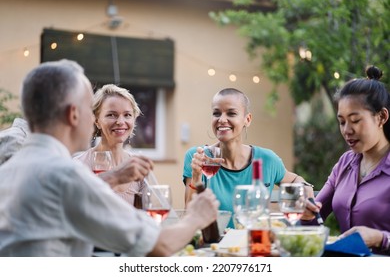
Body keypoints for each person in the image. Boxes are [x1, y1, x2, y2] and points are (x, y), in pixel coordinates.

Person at [0, 59, 219, 257]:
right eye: (89, 108)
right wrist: (196, 218)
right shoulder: (66, 174)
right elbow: (158, 246)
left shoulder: (10, 170)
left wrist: (113, 177)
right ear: (74, 115)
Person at [183, 87, 312, 228]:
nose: (222, 119)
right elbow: (189, 216)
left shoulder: (267, 159)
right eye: (216, 113)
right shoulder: (198, 157)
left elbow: (294, 179)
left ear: (247, 119)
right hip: (212, 246)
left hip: (254, 244)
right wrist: (196, 176)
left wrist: (305, 188)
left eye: (231, 113)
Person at [303, 65, 390, 256]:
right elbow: (314, 217)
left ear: (381, 117)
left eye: (355, 120)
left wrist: (380, 238)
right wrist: (305, 213)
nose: (346, 130)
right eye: (342, 122)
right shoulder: (345, 163)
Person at [75, 84, 146, 207]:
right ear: (96, 120)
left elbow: (147, 215)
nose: (120, 122)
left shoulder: (137, 167)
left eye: (127, 115)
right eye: (111, 115)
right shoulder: (79, 165)